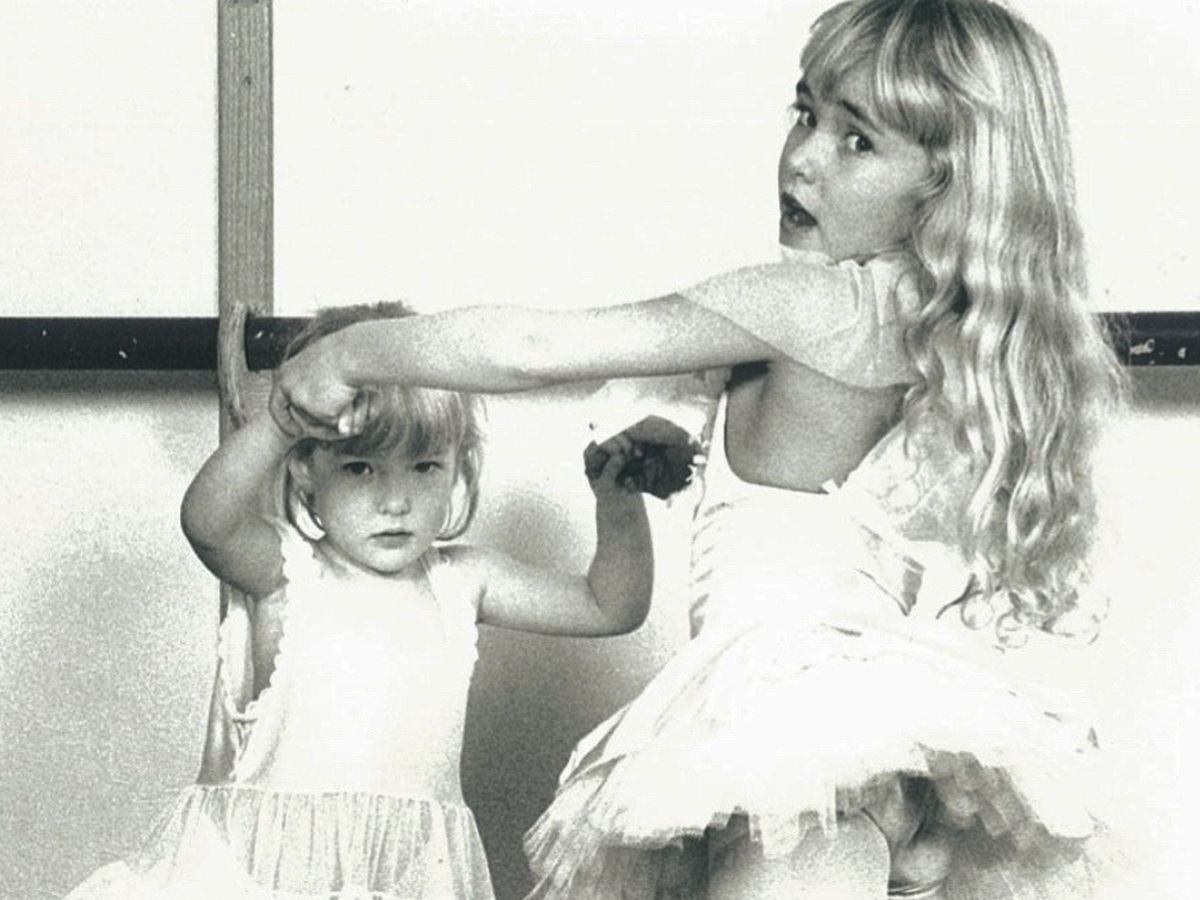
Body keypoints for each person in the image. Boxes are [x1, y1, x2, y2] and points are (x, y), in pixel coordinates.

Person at [272, 1, 1127, 896]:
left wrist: (351, 353)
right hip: (870, 754)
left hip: (792, 736)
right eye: (805, 113)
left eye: (857, 141)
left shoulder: (811, 307)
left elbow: (531, 348)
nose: (803, 157)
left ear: (944, 185)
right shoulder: (947, 334)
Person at [61, 301, 655, 900]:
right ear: (305, 470)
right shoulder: (285, 572)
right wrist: (284, 423)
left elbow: (608, 606)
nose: (396, 501)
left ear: (459, 467)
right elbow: (206, 522)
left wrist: (619, 502)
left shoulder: (461, 580)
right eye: (361, 469)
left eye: (424, 467)